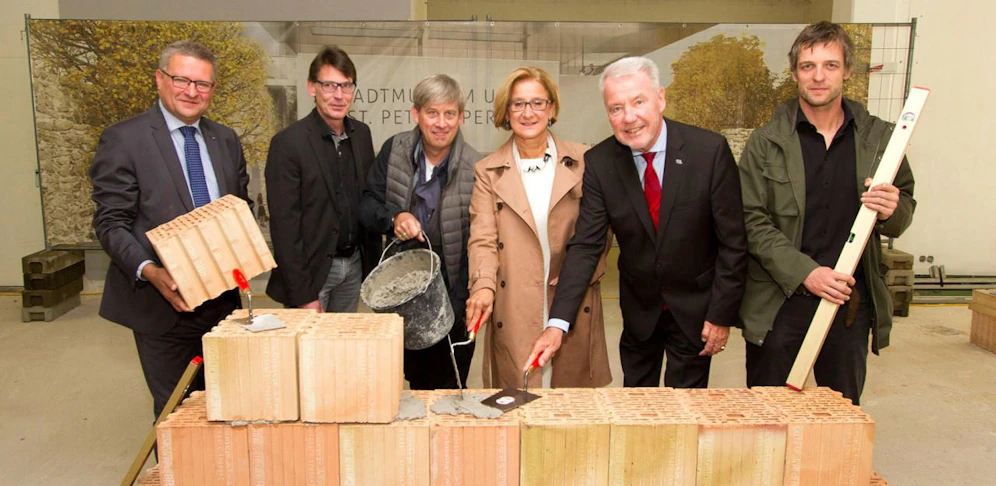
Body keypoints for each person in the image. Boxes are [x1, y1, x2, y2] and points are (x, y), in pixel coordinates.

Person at [526, 57, 747, 389]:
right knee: (636, 407)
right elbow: (587, 246)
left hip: (695, 310)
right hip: (640, 310)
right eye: (616, 108)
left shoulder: (708, 151)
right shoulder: (600, 163)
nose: (628, 117)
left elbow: (733, 242)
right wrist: (557, 324)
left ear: (661, 98)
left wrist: (720, 314)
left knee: (683, 412)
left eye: (638, 102)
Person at [738, 22, 916, 405]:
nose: (818, 76)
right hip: (779, 303)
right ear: (795, 73)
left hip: (849, 307)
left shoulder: (881, 139)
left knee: (840, 418)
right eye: (808, 66)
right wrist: (807, 273)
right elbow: (751, 221)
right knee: (770, 418)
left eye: (830, 65)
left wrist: (891, 209)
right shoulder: (766, 143)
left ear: (847, 71)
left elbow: (903, 215)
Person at [90, 40, 250, 418]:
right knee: (177, 414)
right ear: (160, 79)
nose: (192, 91)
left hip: (222, 306)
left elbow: (240, 207)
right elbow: (110, 223)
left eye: (203, 84)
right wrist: (151, 273)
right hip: (161, 305)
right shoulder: (124, 140)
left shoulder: (225, 139)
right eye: (182, 79)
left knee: (226, 409)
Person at [467, 67, 612, 390]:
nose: (527, 112)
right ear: (506, 112)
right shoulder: (487, 171)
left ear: (552, 108)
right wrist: (483, 285)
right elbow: (482, 239)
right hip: (514, 298)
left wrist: (584, 274)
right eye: (518, 104)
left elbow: (602, 231)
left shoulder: (586, 161)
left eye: (537, 103)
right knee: (521, 401)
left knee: (571, 410)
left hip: (571, 296)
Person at [358, 74, 481, 390]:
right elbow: (367, 203)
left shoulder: (476, 167)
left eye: (449, 113)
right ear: (416, 114)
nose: (441, 123)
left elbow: (480, 242)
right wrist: (393, 217)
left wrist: (460, 305)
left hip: (455, 298)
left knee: (451, 387)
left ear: (460, 117)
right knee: (415, 384)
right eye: (432, 113)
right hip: (407, 297)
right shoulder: (394, 150)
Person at [265, 46, 380, 312]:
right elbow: (285, 227)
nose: (339, 95)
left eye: (346, 86)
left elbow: (367, 199)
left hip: (353, 267)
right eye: (329, 85)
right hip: (312, 274)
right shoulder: (288, 144)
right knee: (309, 353)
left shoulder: (361, 135)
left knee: (342, 349)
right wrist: (304, 294)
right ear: (311, 87)